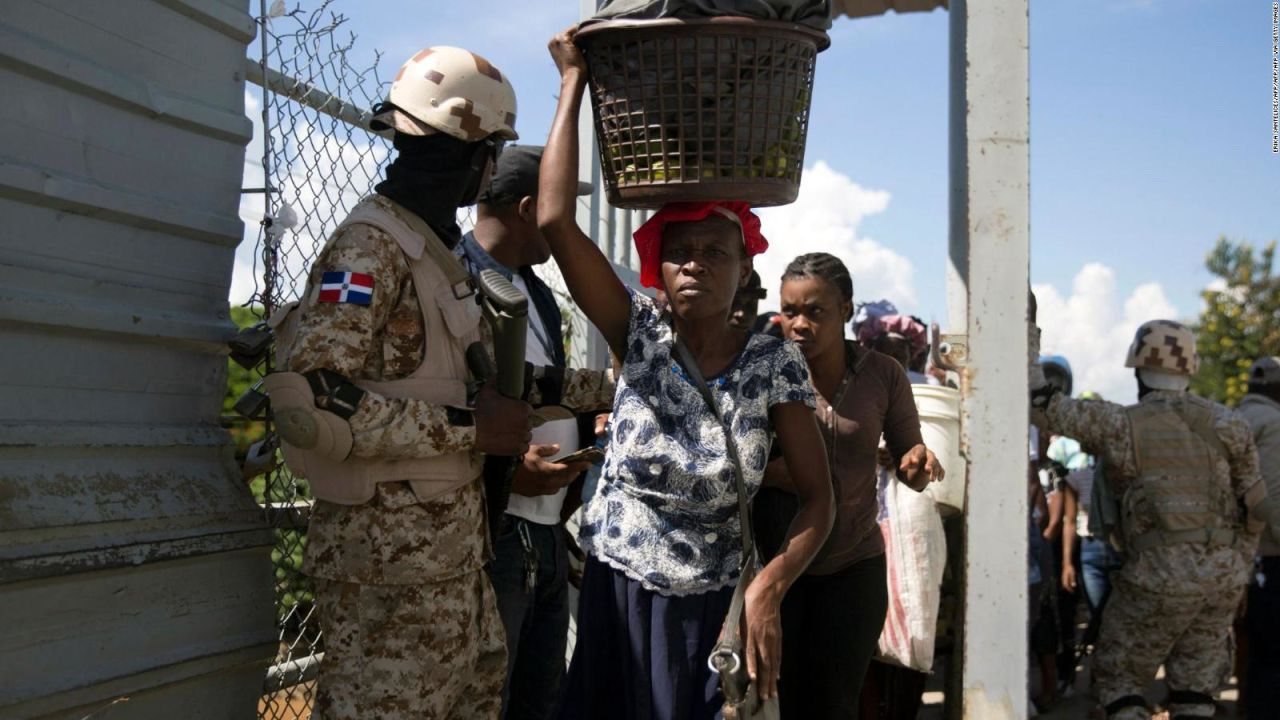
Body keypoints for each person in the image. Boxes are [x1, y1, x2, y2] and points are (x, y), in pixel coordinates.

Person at [269, 46, 609, 719]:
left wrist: (621, 390)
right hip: (385, 570)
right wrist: (472, 431)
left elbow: (496, 385)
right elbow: (309, 400)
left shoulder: (431, 250)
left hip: (451, 558)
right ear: (479, 157)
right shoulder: (369, 249)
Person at [540, 27, 836, 719]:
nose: (696, 263)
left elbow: (822, 499)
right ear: (658, 269)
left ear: (744, 268)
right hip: (618, 595)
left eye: (714, 250)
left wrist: (769, 587)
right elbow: (554, 219)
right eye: (680, 252)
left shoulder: (774, 365)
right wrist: (572, 83)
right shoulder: (639, 332)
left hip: (714, 608)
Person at [1030, 319, 1278, 720]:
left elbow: (1041, 403)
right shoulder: (1231, 424)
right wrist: (1240, 570)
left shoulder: (1117, 423)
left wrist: (1029, 333)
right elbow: (1256, 510)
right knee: (1196, 690)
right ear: (1190, 367)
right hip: (1222, 580)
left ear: (1138, 370)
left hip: (1155, 577)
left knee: (1120, 682)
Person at [457, 144, 612, 719]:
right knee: (487, 696)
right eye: (560, 205)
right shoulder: (458, 276)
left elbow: (539, 393)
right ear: (530, 208)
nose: (562, 222)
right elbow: (450, 401)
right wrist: (505, 469)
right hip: (492, 535)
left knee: (542, 699)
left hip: (545, 535)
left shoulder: (537, 291)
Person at [759, 252, 943, 719]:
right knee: (774, 702)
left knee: (835, 705)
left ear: (845, 310)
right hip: (778, 567)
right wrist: (779, 474)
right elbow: (735, 465)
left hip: (853, 570)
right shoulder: (761, 372)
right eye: (790, 311)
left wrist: (917, 464)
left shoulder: (883, 375)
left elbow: (910, 460)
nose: (798, 324)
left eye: (814, 312)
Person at [1238, 356, 1280, 719]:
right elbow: (1271, 498)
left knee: (1249, 651)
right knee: (1272, 658)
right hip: (1269, 555)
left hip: (1232, 555)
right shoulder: (1274, 423)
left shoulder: (1231, 418)